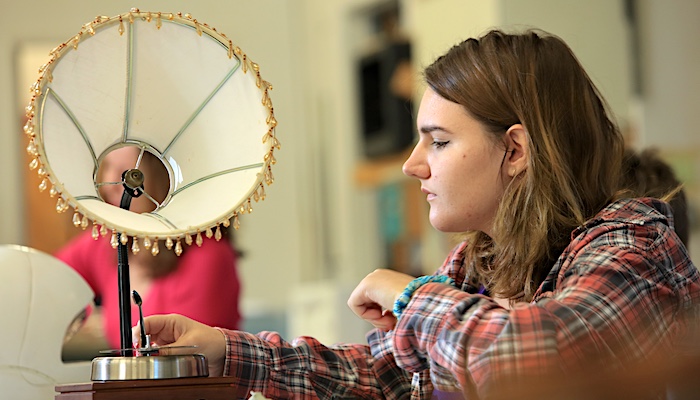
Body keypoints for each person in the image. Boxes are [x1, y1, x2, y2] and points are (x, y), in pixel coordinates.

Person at [135, 29, 700, 399]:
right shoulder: (477, 264)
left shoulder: (633, 246)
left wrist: (411, 299)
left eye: (438, 142)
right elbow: (379, 375)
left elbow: (536, 362)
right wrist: (225, 349)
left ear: (515, 151)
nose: (412, 166)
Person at [57, 146, 242, 351]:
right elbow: (50, 279)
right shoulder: (105, 241)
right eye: (107, 167)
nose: (109, 185)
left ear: (164, 180)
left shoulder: (207, 255)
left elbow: (189, 360)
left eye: (127, 174)